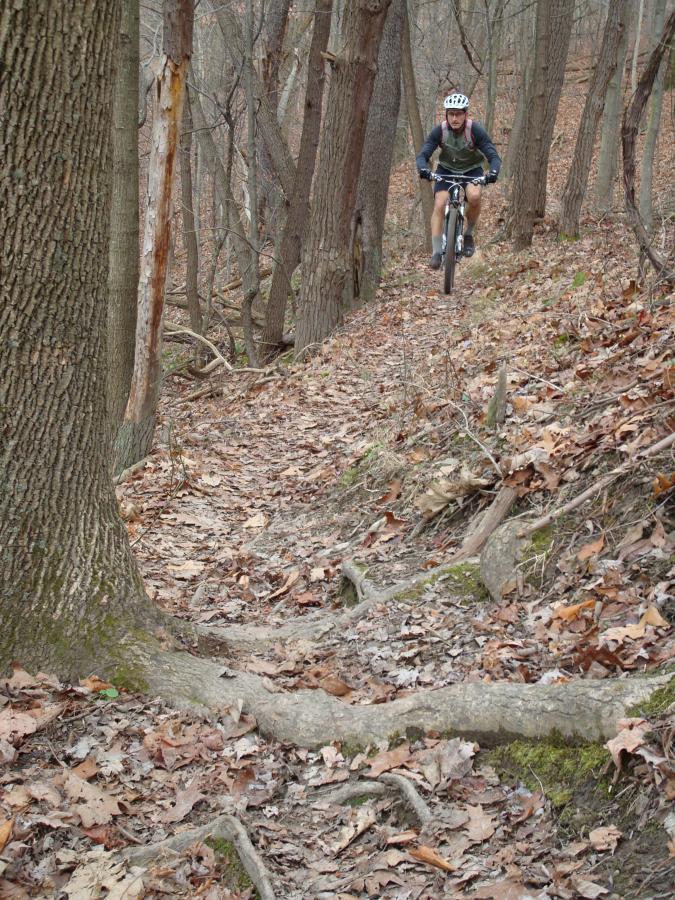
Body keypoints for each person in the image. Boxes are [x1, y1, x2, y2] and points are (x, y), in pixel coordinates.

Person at [416, 93, 501, 269]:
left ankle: (468, 234)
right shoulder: (440, 131)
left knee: (475, 196)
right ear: (446, 115)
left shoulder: (474, 130)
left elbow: (492, 154)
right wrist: (423, 169)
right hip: (446, 169)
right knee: (440, 203)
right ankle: (437, 252)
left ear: (465, 114)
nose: (455, 118)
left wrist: (493, 171)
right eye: (451, 114)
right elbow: (424, 153)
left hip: (471, 169)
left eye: (459, 114)